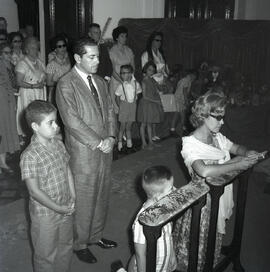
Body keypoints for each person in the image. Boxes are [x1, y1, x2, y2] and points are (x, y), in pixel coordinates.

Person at [173, 91, 261, 271]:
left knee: (212, 243)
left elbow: (236, 147)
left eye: (223, 117)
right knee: (200, 246)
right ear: (203, 115)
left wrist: (246, 153)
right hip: (202, 205)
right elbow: (204, 170)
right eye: (218, 118)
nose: (222, 122)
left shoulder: (217, 137)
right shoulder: (189, 143)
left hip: (219, 196)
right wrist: (238, 164)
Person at [56, 38, 117, 264]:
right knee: (83, 198)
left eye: (98, 56)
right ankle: (79, 243)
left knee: (101, 194)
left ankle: (95, 235)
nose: (97, 61)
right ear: (77, 58)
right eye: (91, 57)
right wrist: (99, 142)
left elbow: (110, 111)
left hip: (105, 148)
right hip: (83, 151)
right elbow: (71, 121)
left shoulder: (100, 81)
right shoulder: (66, 84)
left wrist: (111, 136)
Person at [20, 100, 75, 272]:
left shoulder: (58, 144)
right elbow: (34, 192)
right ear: (35, 126)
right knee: (45, 255)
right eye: (50, 122)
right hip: (45, 215)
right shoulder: (30, 156)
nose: (56, 126)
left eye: (55, 121)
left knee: (65, 246)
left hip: (65, 206)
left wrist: (73, 195)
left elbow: (67, 169)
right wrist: (58, 208)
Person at [128, 165, 177, 272]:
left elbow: (168, 234)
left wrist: (172, 254)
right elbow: (140, 255)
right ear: (158, 197)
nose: (175, 190)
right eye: (171, 189)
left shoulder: (166, 208)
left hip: (164, 262)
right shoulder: (141, 222)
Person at [16, 37, 46, 138]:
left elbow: (44, 75)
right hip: (28, 93)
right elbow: (18, 82)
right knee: (29, 115)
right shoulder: (22, 63)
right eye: (32, 47)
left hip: (39, 92)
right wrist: (33, 86)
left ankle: (39, 135)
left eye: (36, 47)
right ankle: (28, 136)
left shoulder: (40, 62)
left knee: (40, 115)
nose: (35, 50)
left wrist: (42, 82)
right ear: (26, 49)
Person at [0, 42, 20, 173]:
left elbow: (13, 83)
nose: (8, 55)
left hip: (9, 99)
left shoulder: (10, 66)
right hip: (1, 99)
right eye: (5, 53)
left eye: (9, 52)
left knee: (7, 128)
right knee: (2, 129)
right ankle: (2, 163)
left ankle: (3, 162)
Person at [137, 61, 164, 150]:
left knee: (149, 123)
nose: (151, 72)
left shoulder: (152, 79)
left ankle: (151, 142)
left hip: (151, 103)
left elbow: (157, 89)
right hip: (146, 104)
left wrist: (159, 85)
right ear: (146, 70)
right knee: (143, 124)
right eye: (149, 70)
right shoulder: (144, 81)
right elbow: (145, 96)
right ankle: (144, 143)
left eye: (152, 70)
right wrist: (156, 101)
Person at [115, 64, 142, 151]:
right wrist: (121, 106)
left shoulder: (136, 84)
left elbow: (138, 93)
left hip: (132, 107)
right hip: (124, 106)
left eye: (124, 73)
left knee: (129, 126)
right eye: (121, 73)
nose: (122, 75)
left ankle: (129, 142)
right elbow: (117, 98)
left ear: (131, 74)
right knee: (122, 126)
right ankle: (119, 142)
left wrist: (134, 103)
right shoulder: (121, 86)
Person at [109, 26, 135, 114]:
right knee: (117, 109)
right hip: (117, 81)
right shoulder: (112, 51)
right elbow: (112, 70)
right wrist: (122, 82)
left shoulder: (129, 50)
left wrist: (129, 80)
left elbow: (133, 66)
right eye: (122, 36)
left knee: (128, 108)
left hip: (128, 81)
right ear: (116, 37)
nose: (125, 38)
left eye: (125, 36)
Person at [46, 35, 71, 103]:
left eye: (64, 45)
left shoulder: (68, 61)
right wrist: (60, 83)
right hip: (55, 93)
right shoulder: (52, 64)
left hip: (67, 92)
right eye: (59, 46)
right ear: (55, 49)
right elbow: (48, 82)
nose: (62, 48)